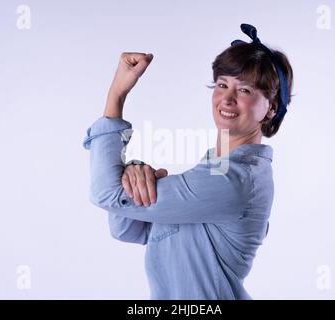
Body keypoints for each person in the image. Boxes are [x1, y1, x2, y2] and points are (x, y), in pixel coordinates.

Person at [83, 24, 293, 299]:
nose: (227, 99)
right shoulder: (218, 165)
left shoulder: (234, 181)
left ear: (271, 108)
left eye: (244, 90)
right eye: (222, 85)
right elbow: (128, 228)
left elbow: (106, 194)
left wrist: (116, 96)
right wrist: (134, 173)